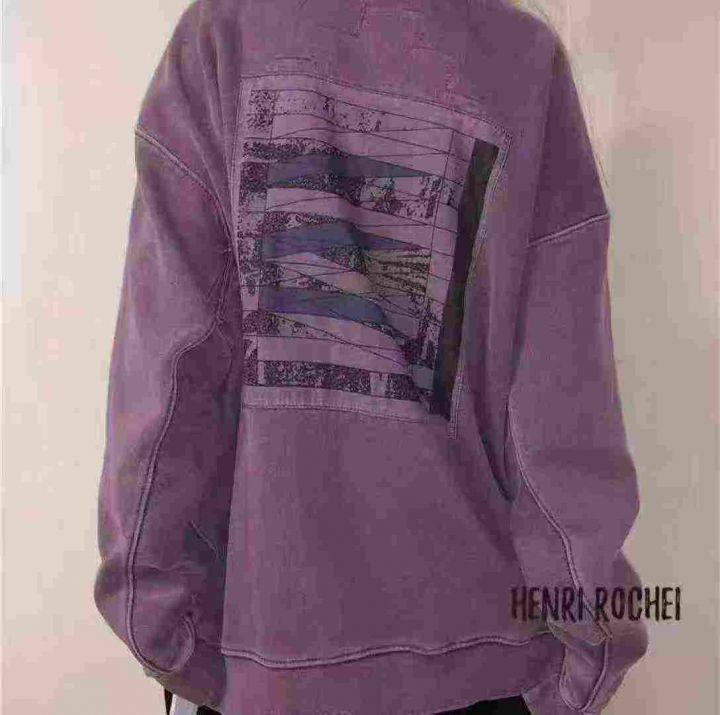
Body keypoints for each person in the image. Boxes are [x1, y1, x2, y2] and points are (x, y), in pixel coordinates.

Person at [93, 0, 649, 713]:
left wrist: (167, 633)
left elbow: (168, 384)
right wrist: (590, 648)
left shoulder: (222, 37)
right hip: (482, 668)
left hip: (263, 667)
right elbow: (561, 415)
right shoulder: (523, 64)